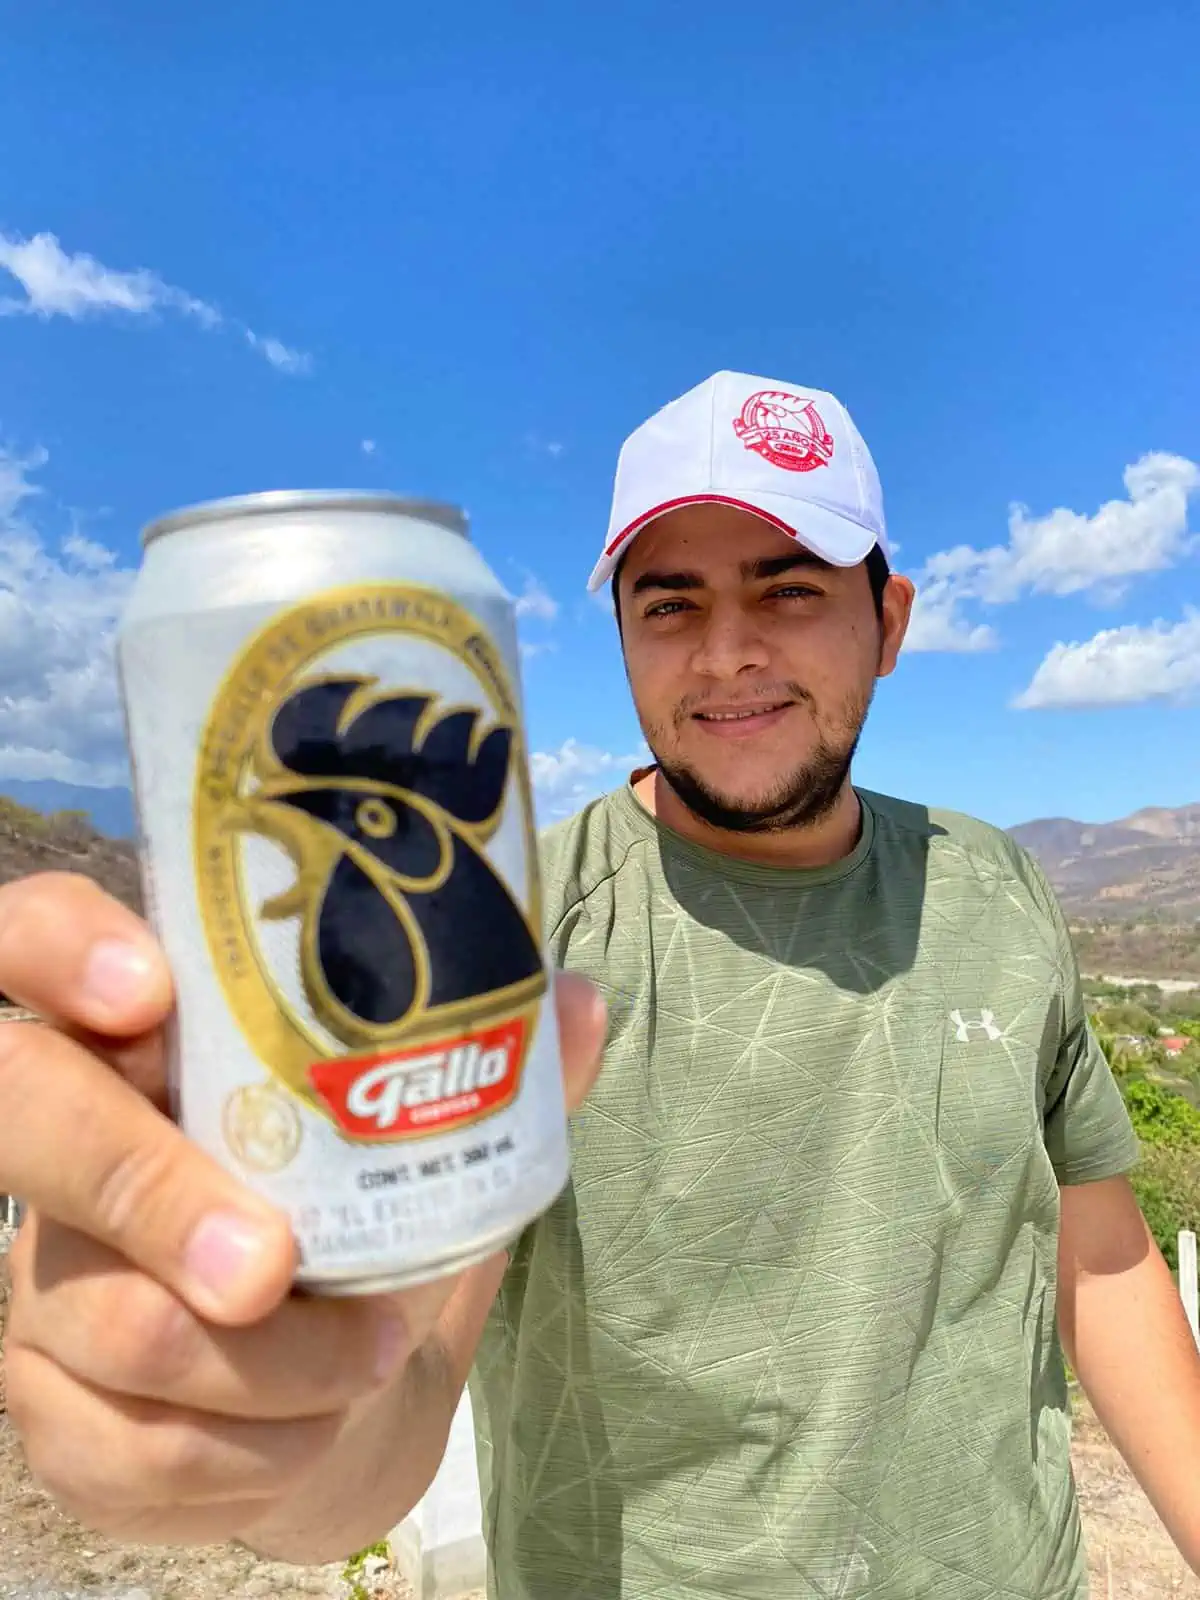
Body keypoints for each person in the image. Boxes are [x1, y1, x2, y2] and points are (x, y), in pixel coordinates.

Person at [1, 371, 1198, 1599]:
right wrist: (249, 1429)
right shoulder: (500, 937)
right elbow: (388, 1406)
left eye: (789, 588)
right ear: (622, 635)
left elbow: (1101, 1260)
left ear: (890, 622)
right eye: (670, 604)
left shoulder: (997, 884)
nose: (728, 652)